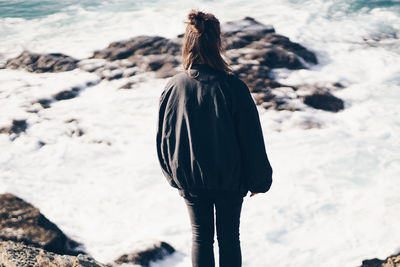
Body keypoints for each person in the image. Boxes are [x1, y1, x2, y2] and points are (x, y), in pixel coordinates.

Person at [156, 9, 273, 267]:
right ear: (217, 43)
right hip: (230, 179)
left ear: (187, 43)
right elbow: (251, 139)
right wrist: (259, 181)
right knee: (230, 239)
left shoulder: (173, 86)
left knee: (200, 238)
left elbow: (163, 138)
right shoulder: (234, 87)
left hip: (190, 179)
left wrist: (173, 175)